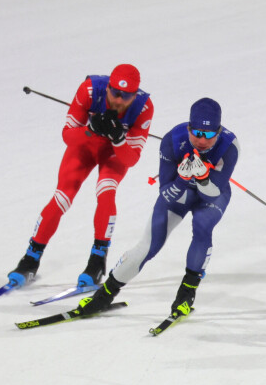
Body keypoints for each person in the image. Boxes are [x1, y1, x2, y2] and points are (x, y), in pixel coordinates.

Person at [76, 98, 239, 318]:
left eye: (209, 134)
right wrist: (183, 179)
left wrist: (201, 178)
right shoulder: (173, 140)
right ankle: (105, 294)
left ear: (218, 132)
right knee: (148, 246)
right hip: (180, 191)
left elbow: (212, 192)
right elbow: (165, 192)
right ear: (189, 127)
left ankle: (186, 293)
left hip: (210, 193)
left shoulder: (230, 146)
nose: (202, 140)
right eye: (197, 133)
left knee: (202, 226)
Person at [8, 64, 154, 288]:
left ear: (134, 96)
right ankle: (30, 259)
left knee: (106, 193)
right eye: (115, 93)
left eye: (126, 97)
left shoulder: (144, 108)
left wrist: (118, 139)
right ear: (108, 89)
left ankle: (97, 262)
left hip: (114, 153)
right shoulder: (89, 90)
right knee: (62, 197)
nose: (118, 100)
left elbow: (131, 159)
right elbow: (67, 135)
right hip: (86, 146)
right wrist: (91, 129)